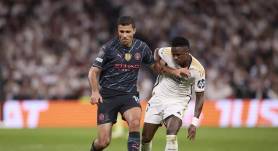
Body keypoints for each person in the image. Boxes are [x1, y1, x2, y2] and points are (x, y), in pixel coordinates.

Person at [88, 16, 188, 151]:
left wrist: (174, 72)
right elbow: (93, 72)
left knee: (135, 122)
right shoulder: (108, 48)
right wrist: (95, 91)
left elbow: (155, 67)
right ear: (118, 31)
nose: (124, 35)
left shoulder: (141, 47)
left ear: (134, 31)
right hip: (107, 97)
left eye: (127, 31)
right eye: (121, 31)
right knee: (103, 142)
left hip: (129, 95)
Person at [141, 37, 206, 151]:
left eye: (178, 55)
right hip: (158, 97)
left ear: (187, 53)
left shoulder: (198, 70)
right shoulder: (166, 52)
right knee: (146, 138)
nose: (175, 57)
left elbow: (200, 97)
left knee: (172, 133)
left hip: (178, 101)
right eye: (173, 54)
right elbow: (157, 52)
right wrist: (171, 70)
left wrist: (194, 123)